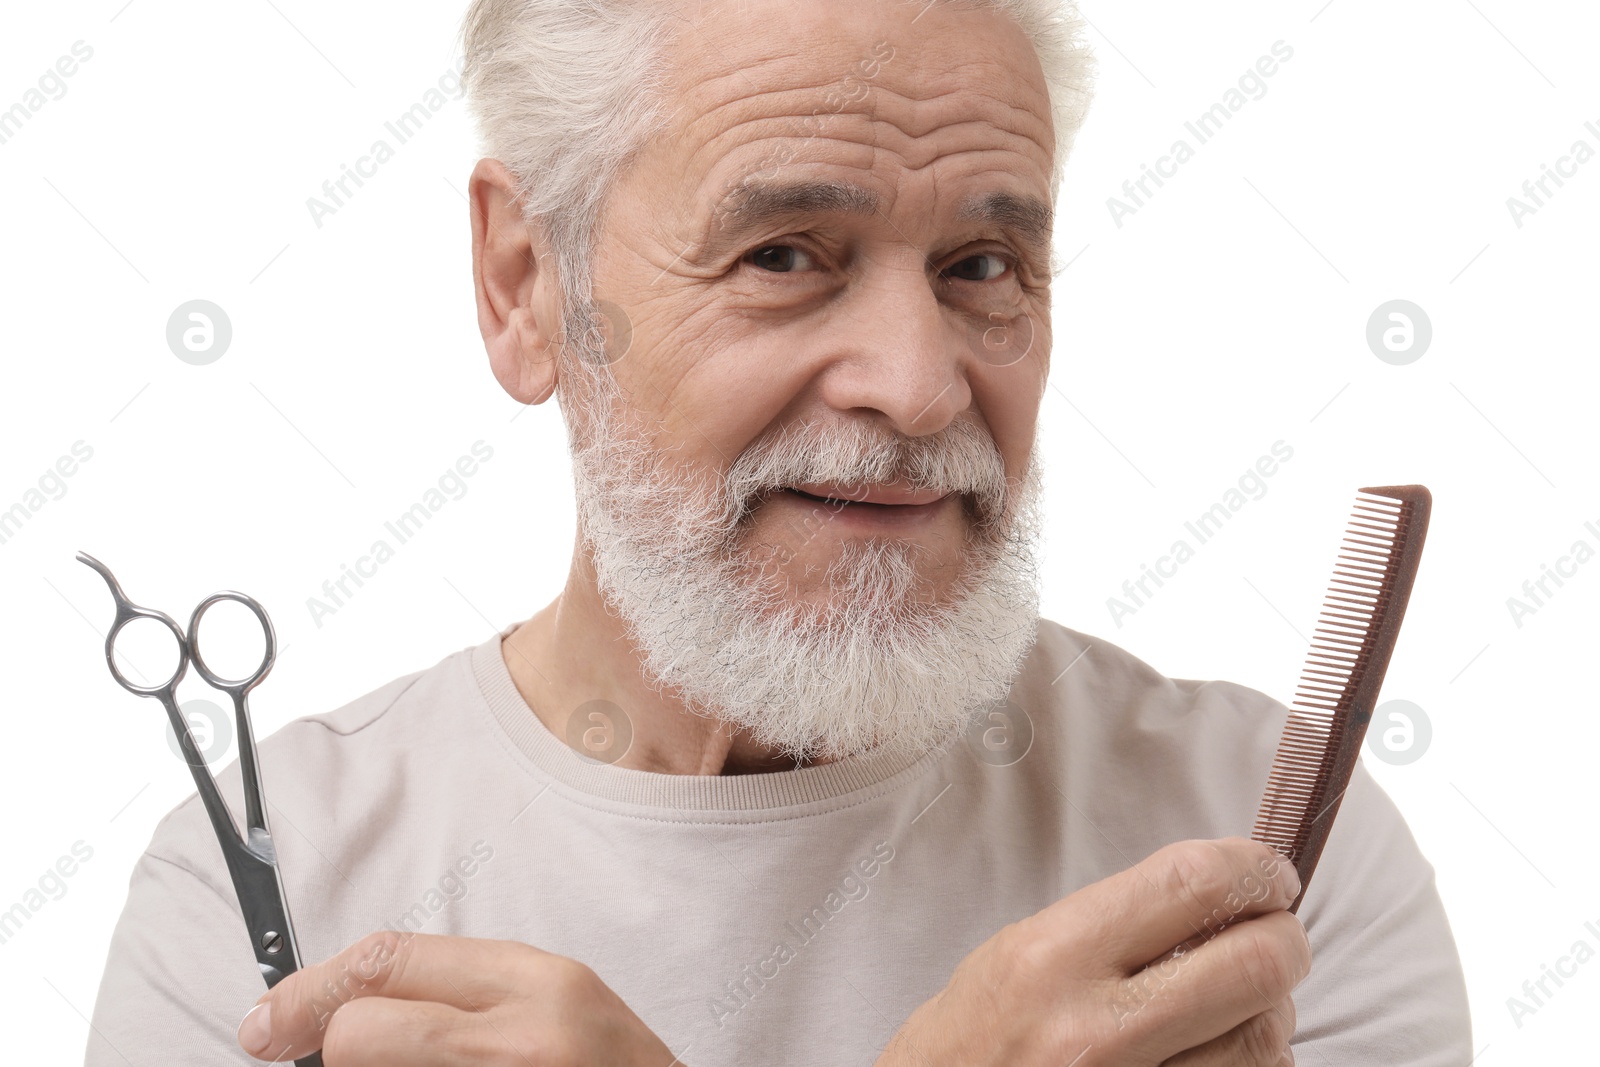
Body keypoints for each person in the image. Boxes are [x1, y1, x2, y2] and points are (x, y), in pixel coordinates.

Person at [85, 0, 1472, 1063]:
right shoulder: (260, 893)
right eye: (786, 256)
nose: (921, 385)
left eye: (982, 267)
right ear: (526, 287)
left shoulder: (1268, 874)